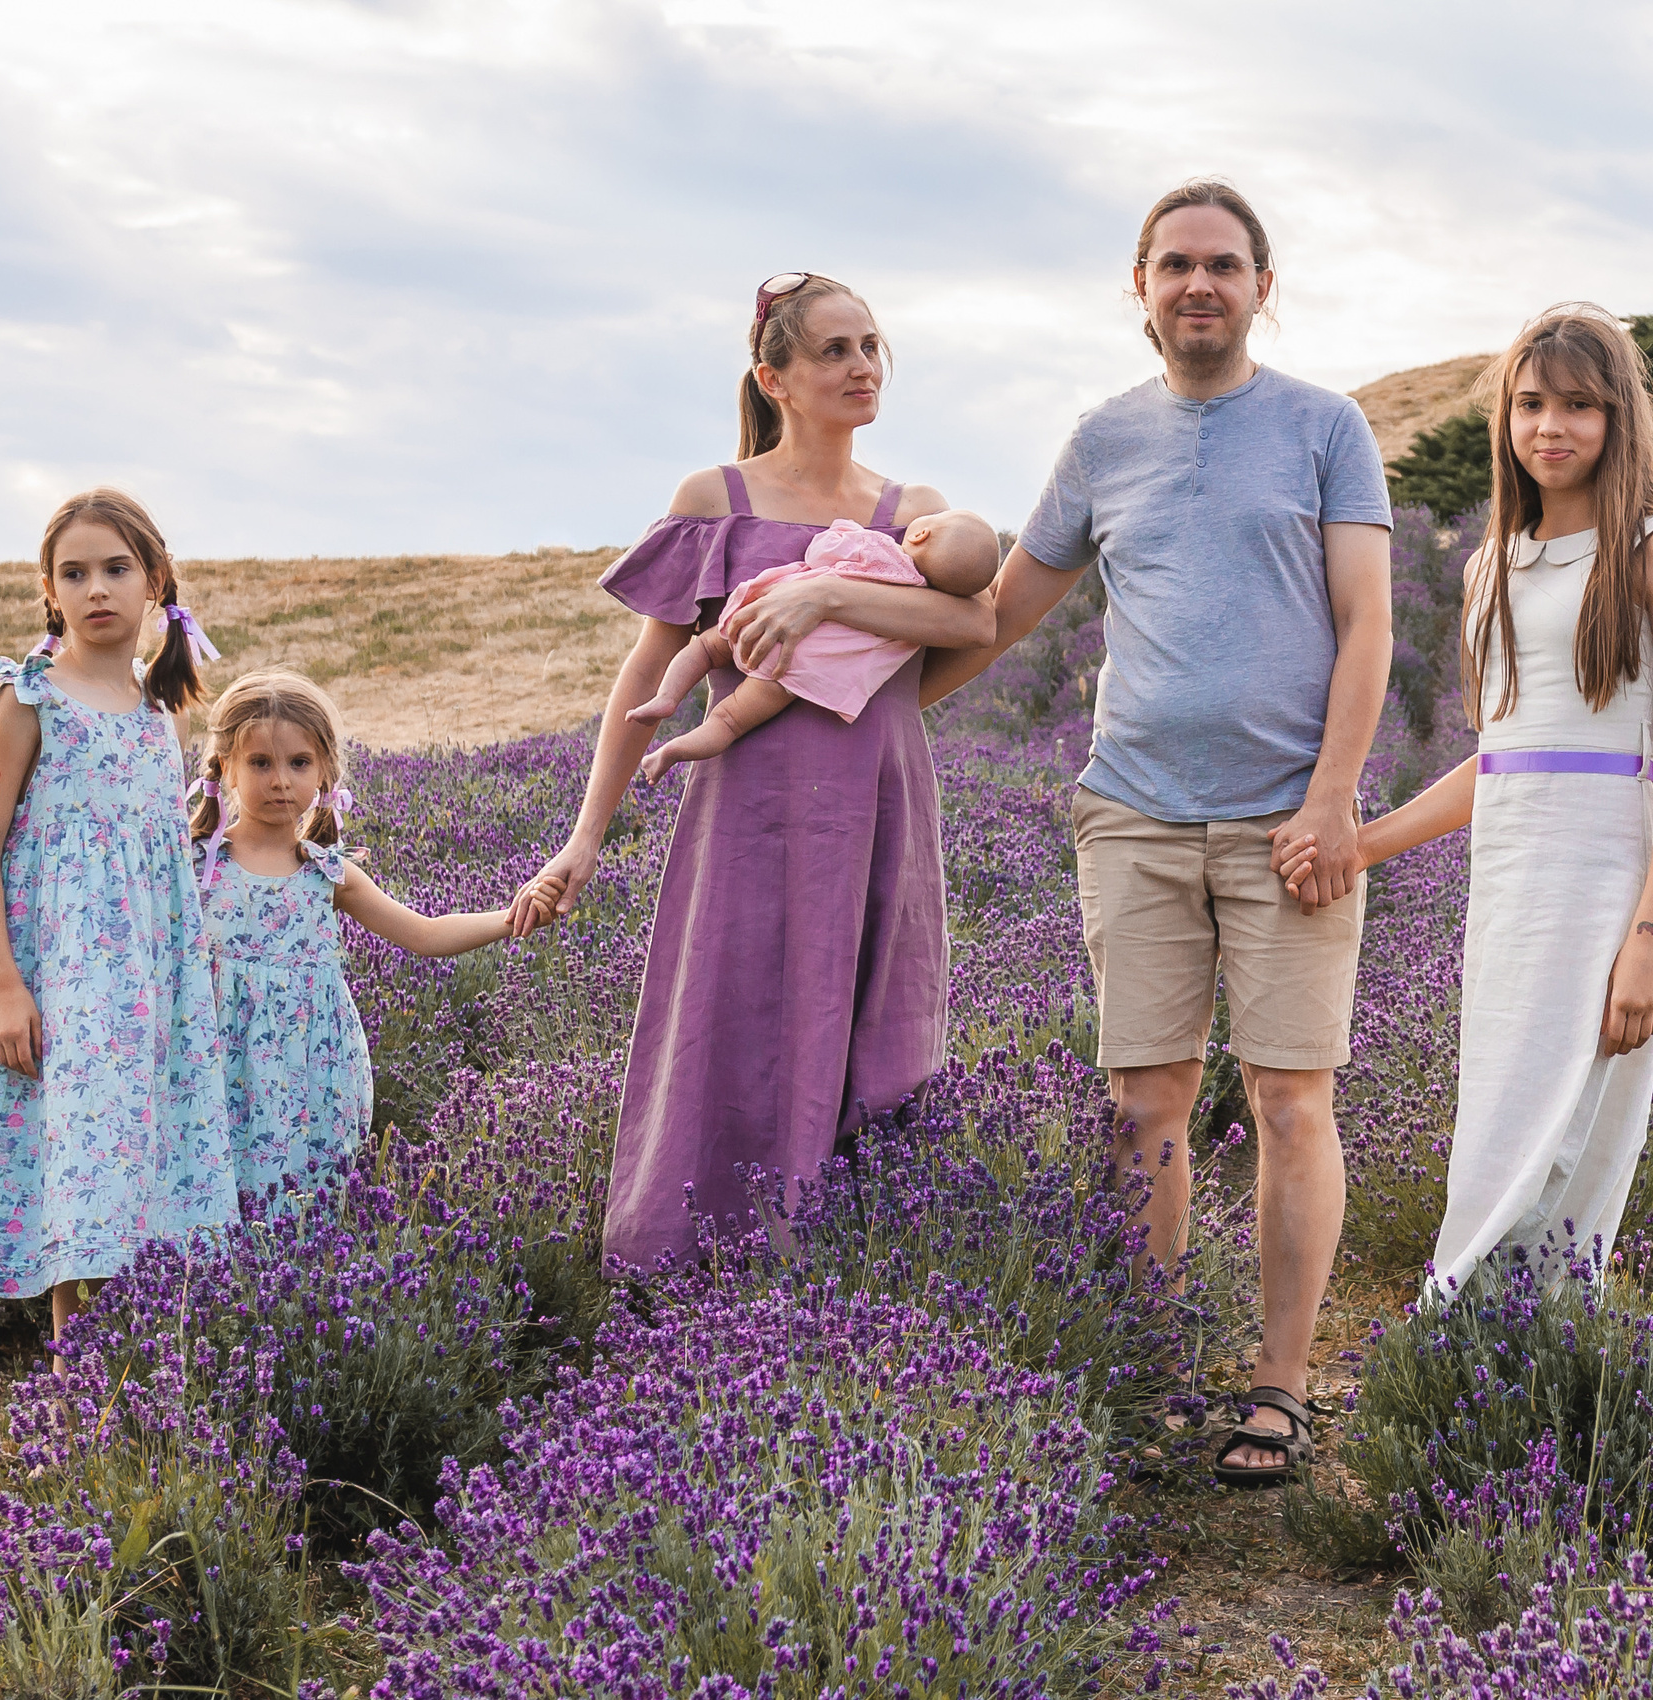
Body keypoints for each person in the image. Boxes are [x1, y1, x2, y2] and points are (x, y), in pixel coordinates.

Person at [921, 179, 1394, 1487]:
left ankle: (1281, 1389)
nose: (1199, 285)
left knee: (1294, 1099)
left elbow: (1368, 625)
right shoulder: (1101, 442)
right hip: (1131, 812)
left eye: (1223, 265)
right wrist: (864, 716)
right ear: (1141, 289)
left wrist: (1329, 801)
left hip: (1285, 821)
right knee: (1147, 1105)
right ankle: (1157, 1367)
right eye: (1175, 265)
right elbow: (1006, 612)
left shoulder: (1322, 428)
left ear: (1261, 285)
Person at [512, 271, 996, 1273]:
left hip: (876, 805)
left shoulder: (913, 514)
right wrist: (585, 834)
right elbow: (646, 672)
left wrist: (824, 592)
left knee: (870, 1029)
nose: (862, 366)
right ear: (773, 376)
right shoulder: (715, 502)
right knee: (727, 1023)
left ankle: (855, 1273)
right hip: (744, 808)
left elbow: (970, 622)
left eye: (871, 346)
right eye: (834, 350)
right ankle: (687, 1274)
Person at [1279, 303, 1653, 1298]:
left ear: (1617, 419)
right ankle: (1486, 1350)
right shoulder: (1490, 566)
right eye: (1529, 404)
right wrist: (1363, 841)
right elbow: (1502, 762)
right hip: (1511, 879)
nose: (1548, 427)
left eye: (1577, 404)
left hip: (1607, 872)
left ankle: (1514, 1344)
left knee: (1572, 1124)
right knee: (1500, 1111)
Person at [0, 488, 238, 1512]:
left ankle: (78, 1455)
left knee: (96, 1233)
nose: (97, 588)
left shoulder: (153, 711)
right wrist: (4, 983)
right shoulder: (30, 695)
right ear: (49, 591)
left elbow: (155, 875)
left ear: (156, 581)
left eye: (116, 569)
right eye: (76, 572)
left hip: (130, 1011)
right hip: (37, 1004)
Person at [190, 669, 560, 1204]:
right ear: (226, 767)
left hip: (315, 1074)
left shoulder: (329, 874)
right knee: (216, 1210)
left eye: (299, 763)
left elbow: (424, 934)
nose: (280, 781)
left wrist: (510, 917)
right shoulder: (201, 866)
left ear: (324, 772)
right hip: (222, 1067)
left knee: (302, 1212)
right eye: (260, 763)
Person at [628, 508, 1001, 782]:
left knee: (704, 650)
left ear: (920, 535)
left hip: (762, 624)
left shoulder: (881, 551)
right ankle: (672, 751)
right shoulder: (921, 611)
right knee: (727, 722)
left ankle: (667, 697)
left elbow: (821, 551)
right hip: (795, 674)